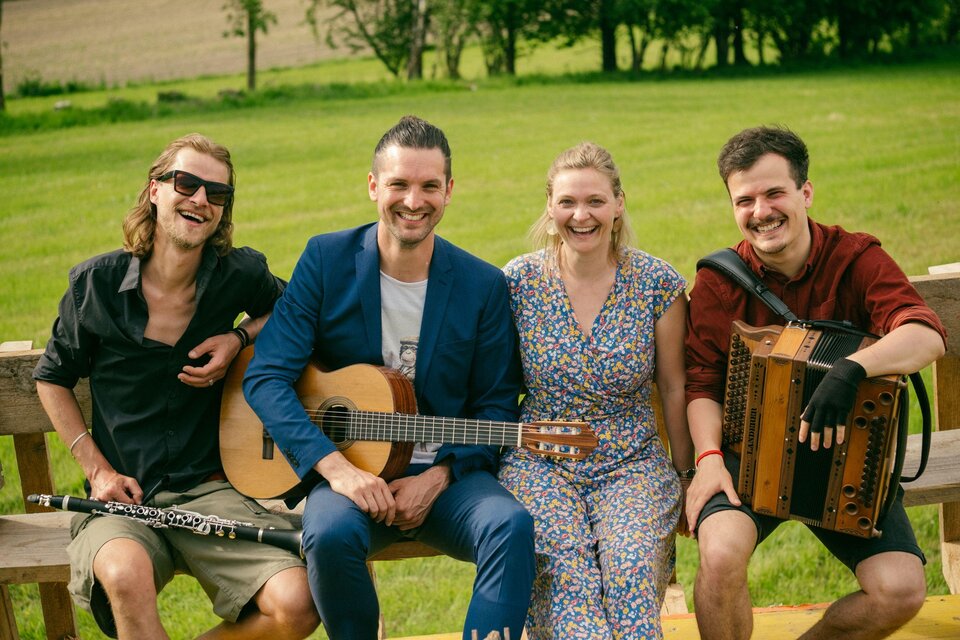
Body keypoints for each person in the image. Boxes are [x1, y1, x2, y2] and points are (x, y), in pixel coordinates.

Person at [242, 115, 536, 640]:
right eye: (399, 184)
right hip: (350, 471)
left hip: (446, 479)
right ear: (374, 186)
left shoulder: (483, 284)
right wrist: (338, 470)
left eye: (429, 186)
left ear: (449, 191)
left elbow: (496, 406)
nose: (413, 201)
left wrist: (437, 478)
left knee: (510, 526)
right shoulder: (326, 260)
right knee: (329, 533)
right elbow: (266, 377)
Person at [33, 133, 319, 640]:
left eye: (217, 192)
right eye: (186, 183)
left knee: (296, 604)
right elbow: (52, 377)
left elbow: (297, 311)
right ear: (155, 190)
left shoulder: (239, 274)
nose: (201, 199)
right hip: (123, 496)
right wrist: (98, 471)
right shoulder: (95, 285)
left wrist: (238, 337)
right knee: (124, 575)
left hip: (209, 490)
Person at [684, 125, 948, 640]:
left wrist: (852, 369)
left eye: (774, 193)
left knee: (899, 590)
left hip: (849, 454)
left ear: (805, 192)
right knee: (720, 553)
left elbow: (926, 335)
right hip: (746, 455)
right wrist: (709, 457)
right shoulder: (720, 280)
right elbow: (701, 384)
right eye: (745, 200)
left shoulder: (855, 258)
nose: (761, 211)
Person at [497, 142, 695, 639]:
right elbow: (491, 385)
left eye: (595, 201)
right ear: (550, 207)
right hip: (541, 460)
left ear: (618, 204)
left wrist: (686, 475)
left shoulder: (656, 283)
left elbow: (673, 387)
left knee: (630, 572)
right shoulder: (517, 283)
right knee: (566, 580)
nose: (581, 215)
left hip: (631, 461)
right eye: (567, 202)